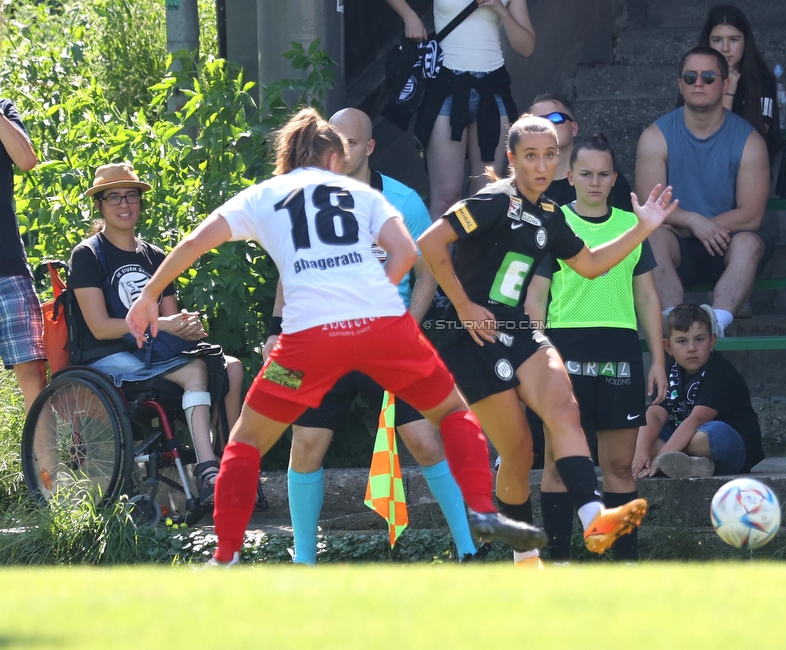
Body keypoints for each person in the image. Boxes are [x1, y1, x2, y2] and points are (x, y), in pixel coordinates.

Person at [127, 108, 548, 566]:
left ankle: (225, 555)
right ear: (333, 159)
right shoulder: (360, 193)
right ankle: (483, 516)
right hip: (383, 328)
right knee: (451, 413)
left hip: (309, 340)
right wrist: (372, 300)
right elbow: (407, 252)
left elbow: (193, 243)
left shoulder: (262, 196)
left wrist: (149, 296)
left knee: (246, 442)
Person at [418, 114, 676, 567]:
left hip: (517, 328)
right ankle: (525, 559)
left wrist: (642, 229)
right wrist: (461, 305)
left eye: (549, 155)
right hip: (472, 336)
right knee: (517, 453)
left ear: (559, 160)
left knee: (563, 406)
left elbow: (592, 264)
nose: (541, 165)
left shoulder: (550, 214)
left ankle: (595, 518)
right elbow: (429, 241)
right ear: (513, 159)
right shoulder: (493, 200)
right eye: (531, 156)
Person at [266, 107, 481, 564]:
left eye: (349, 143)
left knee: (424, 439)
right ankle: (304, 562)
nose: (339, 152)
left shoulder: (401, 201)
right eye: (333, 142)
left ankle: (468, 550)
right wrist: (275, 328)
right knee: (305, 445)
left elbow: (428, 272)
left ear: (370, 147)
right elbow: (291, 267)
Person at [523, 133, 666, 562]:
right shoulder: (553, 221)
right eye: (585, 173)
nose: (595, 181)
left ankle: (623, 565)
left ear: (615, 178)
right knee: (558, 464)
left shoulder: (633, 223)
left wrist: (658, 357)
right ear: (570, 177)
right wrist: (536, 353)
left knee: (620, 465)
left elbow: (646, 297)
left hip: (619, 347)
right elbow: (535, 297)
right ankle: (558, 561)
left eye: (604, 174)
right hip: (563, 348)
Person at [67, 163, 244, 502]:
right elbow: (100, 328)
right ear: (100, 205)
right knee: (194, 370)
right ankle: (207, 472)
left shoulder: (155, 256)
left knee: (231, 367)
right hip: (107, 359)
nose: (124, 204)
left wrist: (187, 327)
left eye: (131, 195)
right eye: (114, 197)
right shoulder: (87, 255)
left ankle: (230, 463)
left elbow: (169, 318)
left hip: (152, 354)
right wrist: (163, 325)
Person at [635, 46, 772, 337]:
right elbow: (650, 209)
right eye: (690, 76)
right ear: (680, 85)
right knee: (651, 237)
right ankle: (677, 328)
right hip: (677, 245)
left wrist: (704, 225)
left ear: (724, 85)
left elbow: (751, 215)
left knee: (749, 243)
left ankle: (715, 326)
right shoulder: (655, 137)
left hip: (727, 243)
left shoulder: (748, 140)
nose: (699, 83)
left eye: (709, 77)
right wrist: (692, 222)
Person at [384, 0, 535, 221]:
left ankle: (472, 255)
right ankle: (440, 255)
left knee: (486, 196)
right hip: (447, 86)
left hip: (493, 88)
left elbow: (527, 47)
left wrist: (500, 9)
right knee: (446, 196)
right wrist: (409, 15)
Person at [631, 304, 764, 479]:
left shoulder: (720, 372)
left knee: (706, 436)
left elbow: (696, 420)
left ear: (712, 341)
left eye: (699, 339)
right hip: (685, 435)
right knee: (635, 432)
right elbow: (655, 414)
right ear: (668, 346)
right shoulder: (668, 372)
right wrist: (640, 450)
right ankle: (694, 465)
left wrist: (659, 458)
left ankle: (670, 457)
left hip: (728, 446)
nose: (691, 348)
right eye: (682, 341)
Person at [690, 4, 780, 158]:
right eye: (717, 40)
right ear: (708, 43)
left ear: (745, 42)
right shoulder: (694, 80)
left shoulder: (762, 82)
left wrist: (729, 93)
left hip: (748, 168)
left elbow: (756, 143)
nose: (725, 48)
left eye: (733, 39)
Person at [0, 96, 43, 413]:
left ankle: (43, 466)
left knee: (33, 374)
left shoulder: (3, 108)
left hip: (7, 265)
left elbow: (27, 159)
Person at [527, 93, 635, 211]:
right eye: (537, 121)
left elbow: (627, 226)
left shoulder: (604, 178)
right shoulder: (521, 184)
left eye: (555, 118)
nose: (546, 125)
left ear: (573, 128)